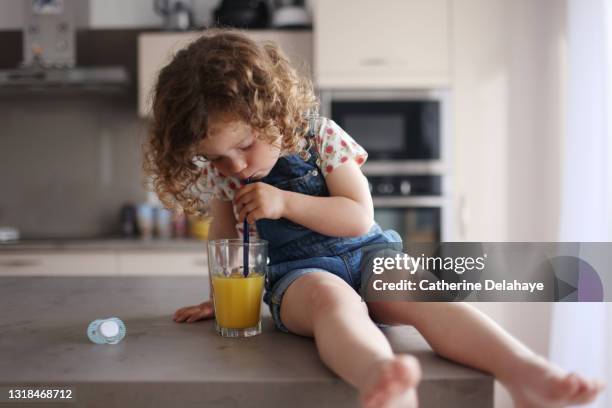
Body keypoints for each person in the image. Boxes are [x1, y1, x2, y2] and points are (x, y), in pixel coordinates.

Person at [144, 29, 604, 408]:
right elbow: (226, 239)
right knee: (330, 300)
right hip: (297, 277)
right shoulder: (230, 181)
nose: (236, 167)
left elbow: (358, 218)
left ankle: (524, 372)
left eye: (244, 146)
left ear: (271, 113)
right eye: (217, 159)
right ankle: (382, 376)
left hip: (367, 253)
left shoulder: (321, 138)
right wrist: (215, 295)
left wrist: (285, 204)